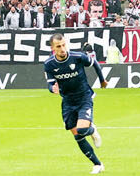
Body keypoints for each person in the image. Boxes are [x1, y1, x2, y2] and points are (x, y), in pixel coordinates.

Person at [43, 34, 104, 173]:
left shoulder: (78, 57)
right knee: (78, 136)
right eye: (58, 46)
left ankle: (92, 129)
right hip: (68, 102)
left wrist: (102, 80)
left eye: (64, 45)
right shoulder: (49, 64)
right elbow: (50, 84)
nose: (62, 48)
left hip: (84, 98)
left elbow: (94, 63)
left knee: (82, 130)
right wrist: (52, 89)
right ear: (53, 48)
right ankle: (97, 164)